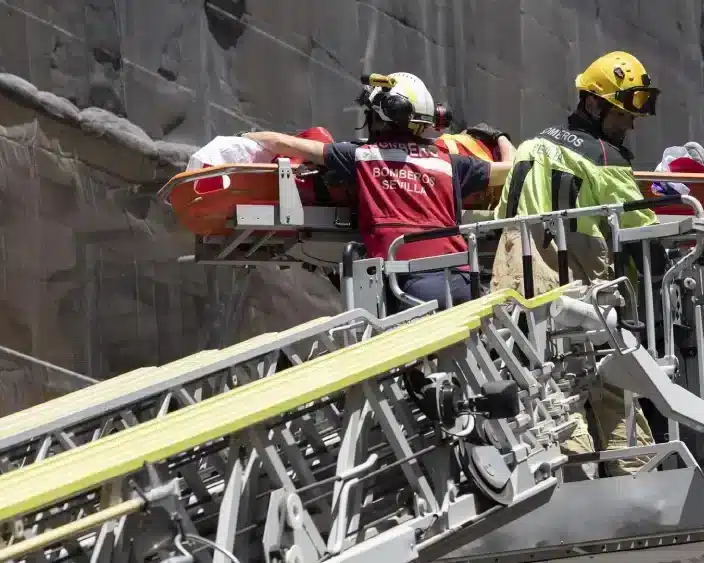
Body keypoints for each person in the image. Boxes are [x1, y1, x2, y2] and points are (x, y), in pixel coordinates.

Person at [490, 51, 669, 479]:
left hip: (514, 275)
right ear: (593, 104)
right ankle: (632, 486)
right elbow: (641, 226)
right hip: (577, 279)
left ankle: (566, 480)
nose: (631, 123)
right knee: (610, 383)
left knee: (545, 387)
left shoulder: (532, 145)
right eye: (623, 113)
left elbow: (501, 215)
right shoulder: (603, 156)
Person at [244, 72, 512, 312]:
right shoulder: (451, 163)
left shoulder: (363, 156)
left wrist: (245, 140)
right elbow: (511, 168)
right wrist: (500, 137)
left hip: (408, 287)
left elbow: (286, 144)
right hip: (463, 280)